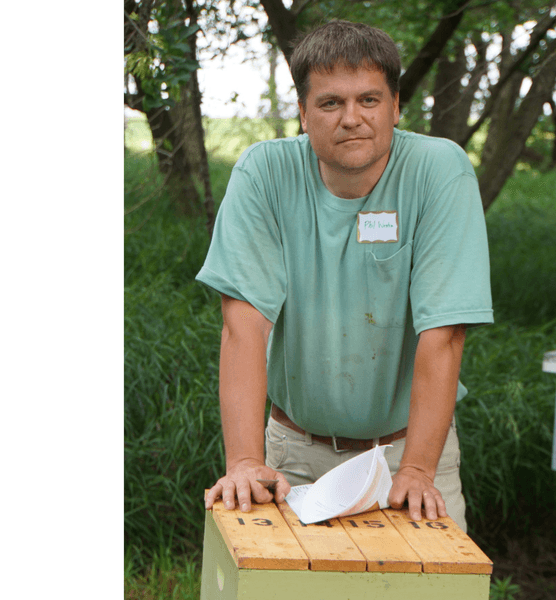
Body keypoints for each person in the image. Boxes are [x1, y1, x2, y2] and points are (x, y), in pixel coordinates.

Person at [197, 19, 492, 532]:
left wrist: (419, 468)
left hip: (410, 454)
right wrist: (245, 463)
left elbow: (444, 333)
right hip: (291, 457)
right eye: (331, 103)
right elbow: (243, 325)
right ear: (304, 114)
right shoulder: (264, 174)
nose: (351, 118)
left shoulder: (439, 171)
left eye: (369, 100)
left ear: (396, 106)